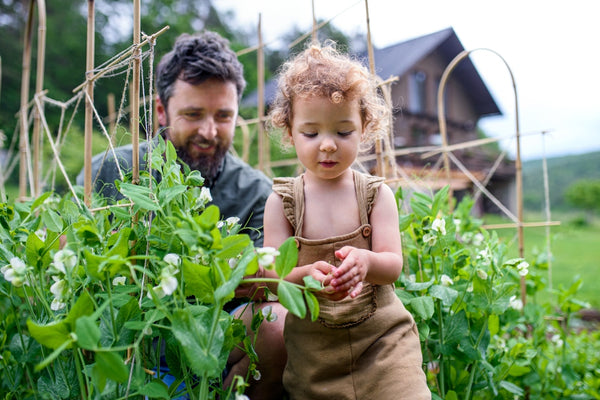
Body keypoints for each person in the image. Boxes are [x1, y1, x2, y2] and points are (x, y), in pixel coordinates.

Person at [76, 31, 286, 400]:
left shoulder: (256, 192)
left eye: (223, 116)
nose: (209, 131)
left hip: (214, 348)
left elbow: (264, 283)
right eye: (192, 115)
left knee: (278, 325)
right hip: (127, 343)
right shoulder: (113, 172)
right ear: (161, 110)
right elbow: (80, 264)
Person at [263, 42, 431, 399]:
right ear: (289, 131)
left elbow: (392, 265)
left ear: (364, 128)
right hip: (315, 352)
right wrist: (301, 276)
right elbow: (272, 277)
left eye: (343, 132)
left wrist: (366, 261)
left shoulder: (374, 195)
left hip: (383, 341)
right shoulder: (282, 203)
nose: (327, 145)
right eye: (311, 133)